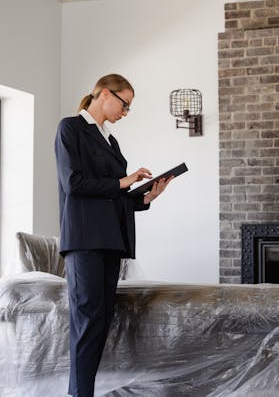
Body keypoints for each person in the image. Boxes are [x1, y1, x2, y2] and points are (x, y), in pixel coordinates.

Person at [54, 74, 172, 397]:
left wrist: (144, 197)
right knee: (88, 322)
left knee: (101, 323)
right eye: (125, 104)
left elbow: (115, 197)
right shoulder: (70, 129)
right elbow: (73, 183)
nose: (125, 112)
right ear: (105, 94)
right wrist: (124, 181)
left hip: (109, 241)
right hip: (84, 241)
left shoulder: (110, 141)